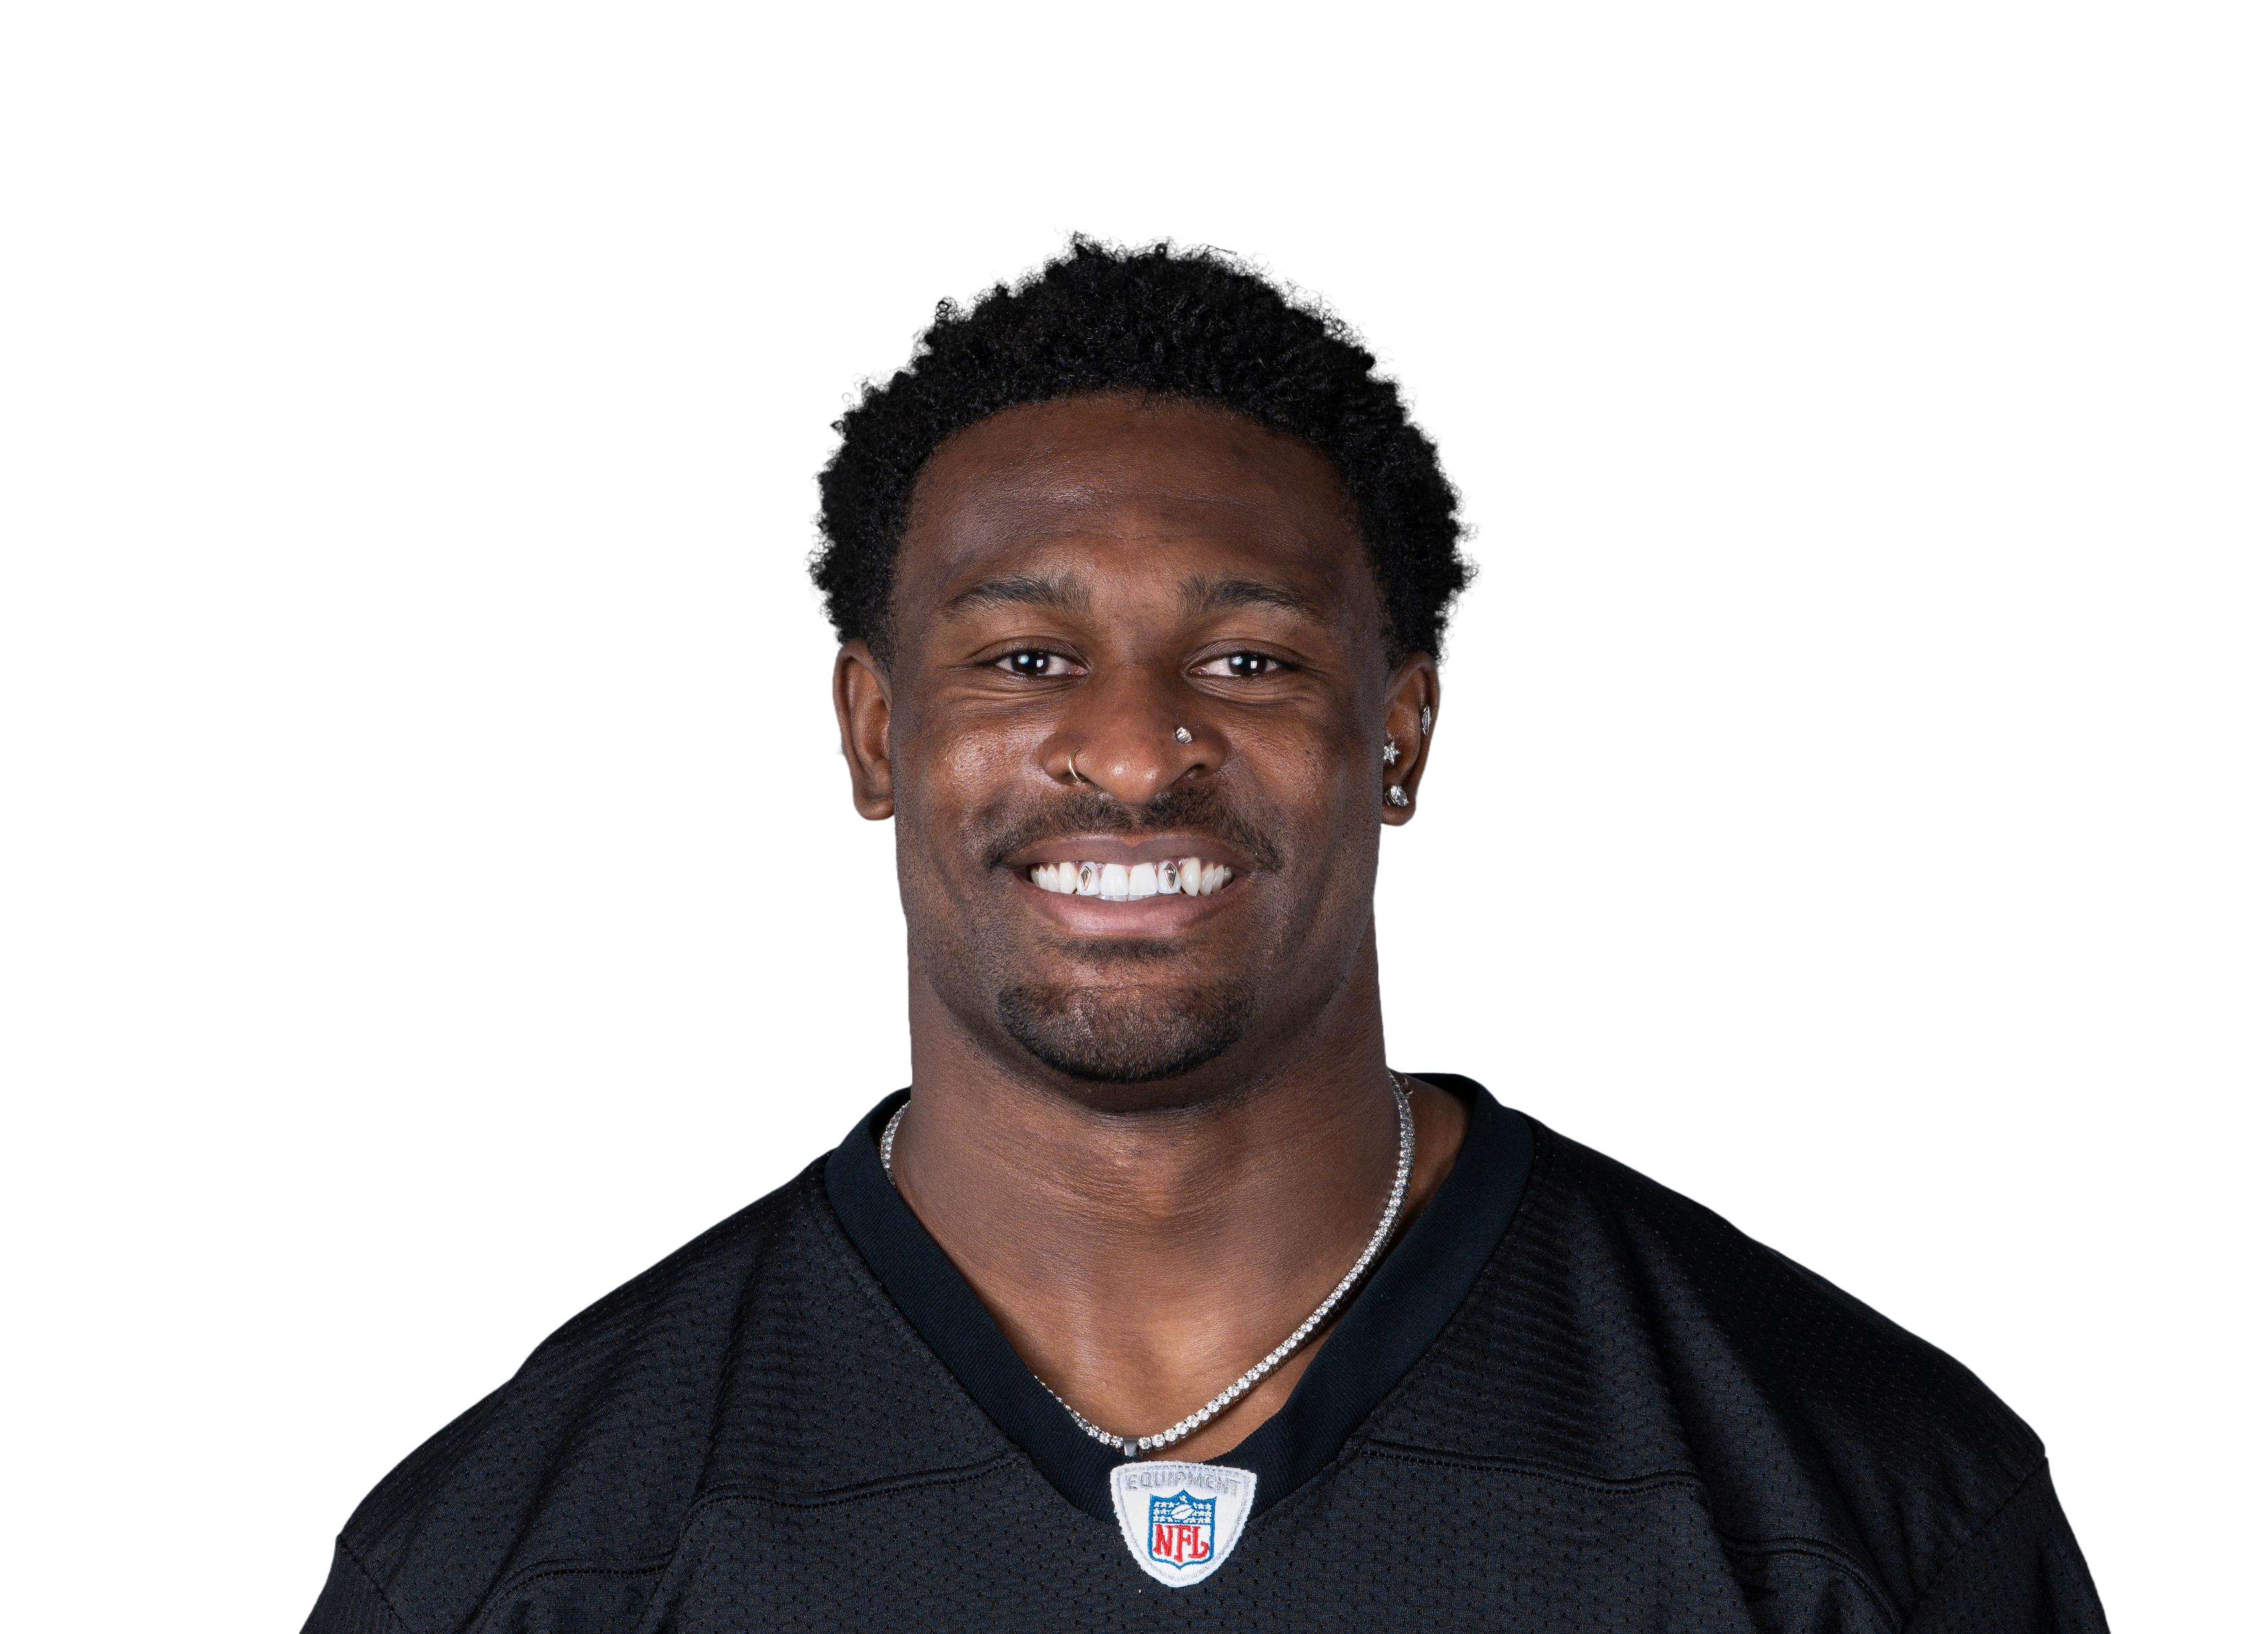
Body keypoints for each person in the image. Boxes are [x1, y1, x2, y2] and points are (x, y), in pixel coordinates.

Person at [304, 229, 2109, 1631]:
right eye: (1027, 659)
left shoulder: (1862, 1501)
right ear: (871, 734)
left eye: (1247, 660)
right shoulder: (522, 1560)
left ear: (1399, 739)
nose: (1132, 749)